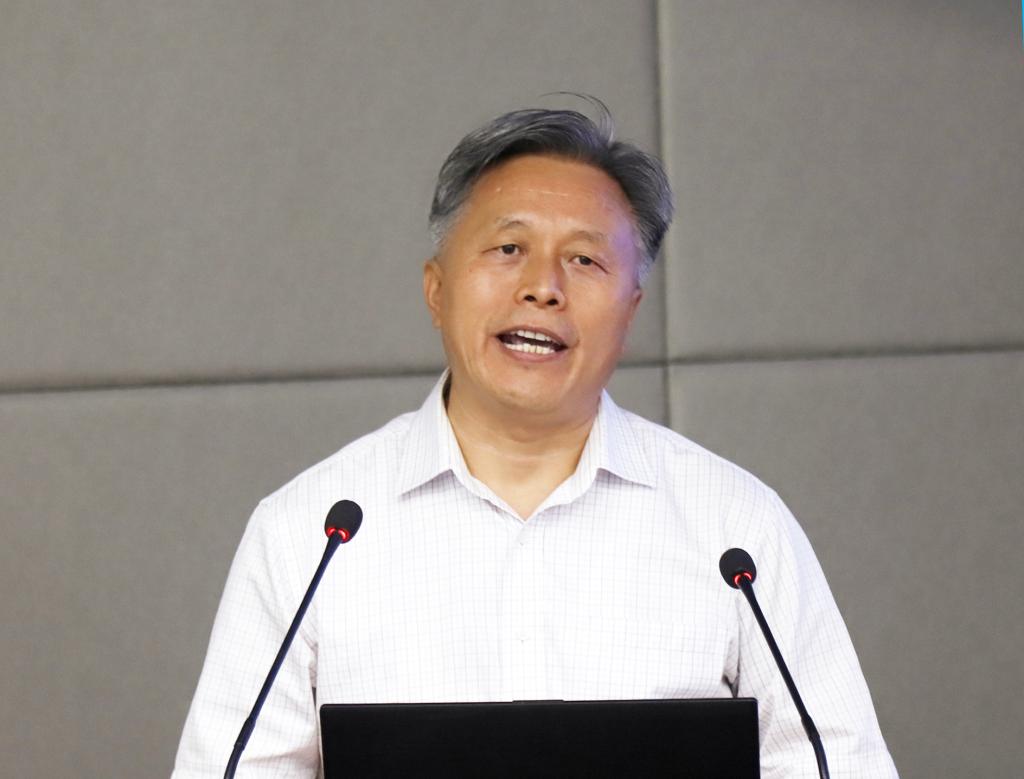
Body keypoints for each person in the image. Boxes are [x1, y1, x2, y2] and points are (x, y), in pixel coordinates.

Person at [173, 102, 898, 778]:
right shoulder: (311, 534)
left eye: (584, 260)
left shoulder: (737, 532)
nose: (543, 286)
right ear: (436, 289)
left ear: (630, 311)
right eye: (509, 247)